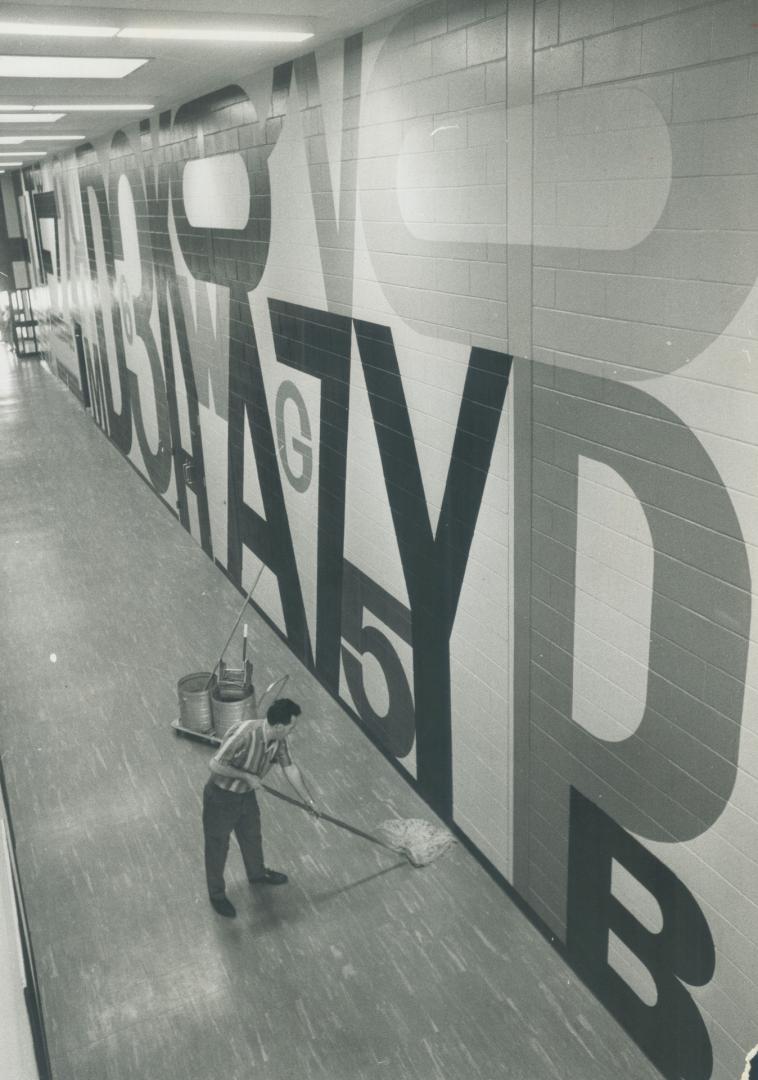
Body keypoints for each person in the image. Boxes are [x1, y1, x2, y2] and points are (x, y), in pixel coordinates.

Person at [202, 697, 318, 918]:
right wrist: (246, 776)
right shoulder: (245, 735)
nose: (293, 731)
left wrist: (308, 802)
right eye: (292, 726)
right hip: (220, 797)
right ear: (279, 726)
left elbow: (290, 768)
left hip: (246, 797)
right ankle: (216, 894)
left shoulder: (278, 739)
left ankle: (256, 874)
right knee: (218, 846)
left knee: (252, 837)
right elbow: (215, 764)